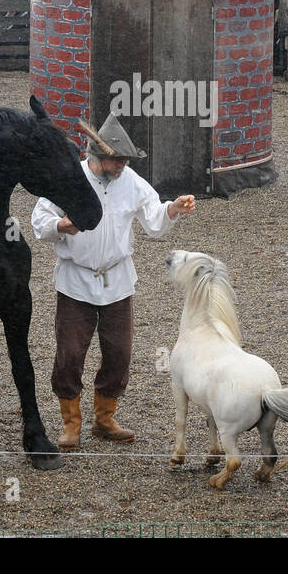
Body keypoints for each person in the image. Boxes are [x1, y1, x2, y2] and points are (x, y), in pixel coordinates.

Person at [31, 113, 196, 450]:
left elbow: (153, 218)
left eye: (125, 159)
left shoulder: (131, 180)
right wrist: (61, 226)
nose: (122, 164)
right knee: (71, 353)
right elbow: (39, 219)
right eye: (117, 158)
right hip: (76, 280)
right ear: (96, 156)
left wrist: (173, 209)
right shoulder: (70, 178)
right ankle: (70, 423)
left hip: (118, 281)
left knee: (119, 353)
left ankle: (105, 419)